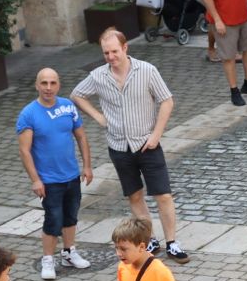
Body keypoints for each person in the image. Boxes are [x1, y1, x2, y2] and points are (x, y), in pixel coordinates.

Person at [70, 30, 189, 260]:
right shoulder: (98, 76)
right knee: (134, 196)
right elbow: (77, 94)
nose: (111, 57)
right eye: (106, 53)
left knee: (163, 194)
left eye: (115, 51)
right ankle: (150, 239)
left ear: (125, 48)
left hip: (147, 144)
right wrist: (98, 117)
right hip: (119, 147)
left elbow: (167, 101)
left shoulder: (146, 70)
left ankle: (172, 242)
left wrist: (156, 134)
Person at [15, 69, 94, 281]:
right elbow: (25, 150)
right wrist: (35, 180)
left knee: (71, 216)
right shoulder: (28, 114)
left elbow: (81, 136)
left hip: (71, 176)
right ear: (37, 85)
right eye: (44, 83)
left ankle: (69, 253)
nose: (48, 88)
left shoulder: (68, 106)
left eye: (52, 83)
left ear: (58, 85)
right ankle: (48, 259)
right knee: (53, 219)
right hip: (49, 181)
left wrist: (87, 166)